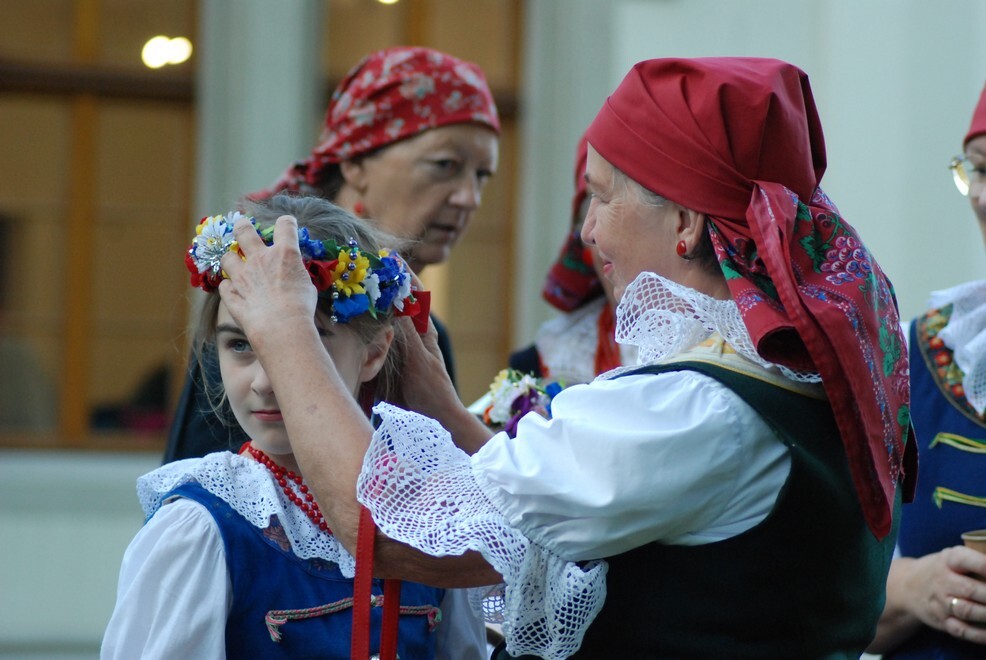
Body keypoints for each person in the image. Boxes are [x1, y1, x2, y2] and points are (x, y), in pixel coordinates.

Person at [214, 57, 915, 658]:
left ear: (686, 223)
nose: (586, 231)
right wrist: (450, 415)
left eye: (603, 198)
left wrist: (285, 333)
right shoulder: (775, 378)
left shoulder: (693, 407)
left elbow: (387, 533)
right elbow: (547, 516)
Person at [102, 195, 487, 659]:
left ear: (373, 353)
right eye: (241, 345)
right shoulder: (204, 526)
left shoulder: (431, 518)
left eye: (302, 342)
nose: (265, 382)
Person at [164, 45, 500, 462]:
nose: (469, 197)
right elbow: (200, 488)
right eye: (445, 165)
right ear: (355, 162)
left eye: (482, 175)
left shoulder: (428, 335)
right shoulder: (257, 301)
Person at [868, 84, 986, 658]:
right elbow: (837, 595)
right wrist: (918, 589)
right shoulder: (929, 346)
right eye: (980, 170)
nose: (984, 198)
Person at [509, 135, 636, 384]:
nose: (592, 234)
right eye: (586, 213)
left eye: (612, 203)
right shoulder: (543, 361)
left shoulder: (721, 356)